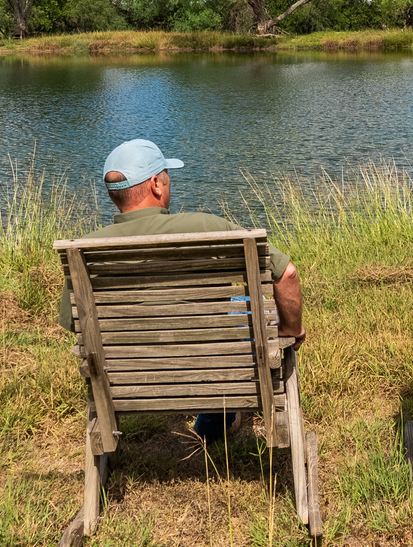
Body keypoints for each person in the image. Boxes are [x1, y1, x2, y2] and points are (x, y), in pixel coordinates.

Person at [60, 138, 305, 441]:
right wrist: (292, 330)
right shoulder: (207, 225)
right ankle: (214, 422)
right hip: (217, 365)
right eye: (166, 176)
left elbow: (74, 325)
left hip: (126, 379)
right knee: (243, 309)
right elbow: (287, 274)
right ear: (156, 185)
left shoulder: (83, 252)